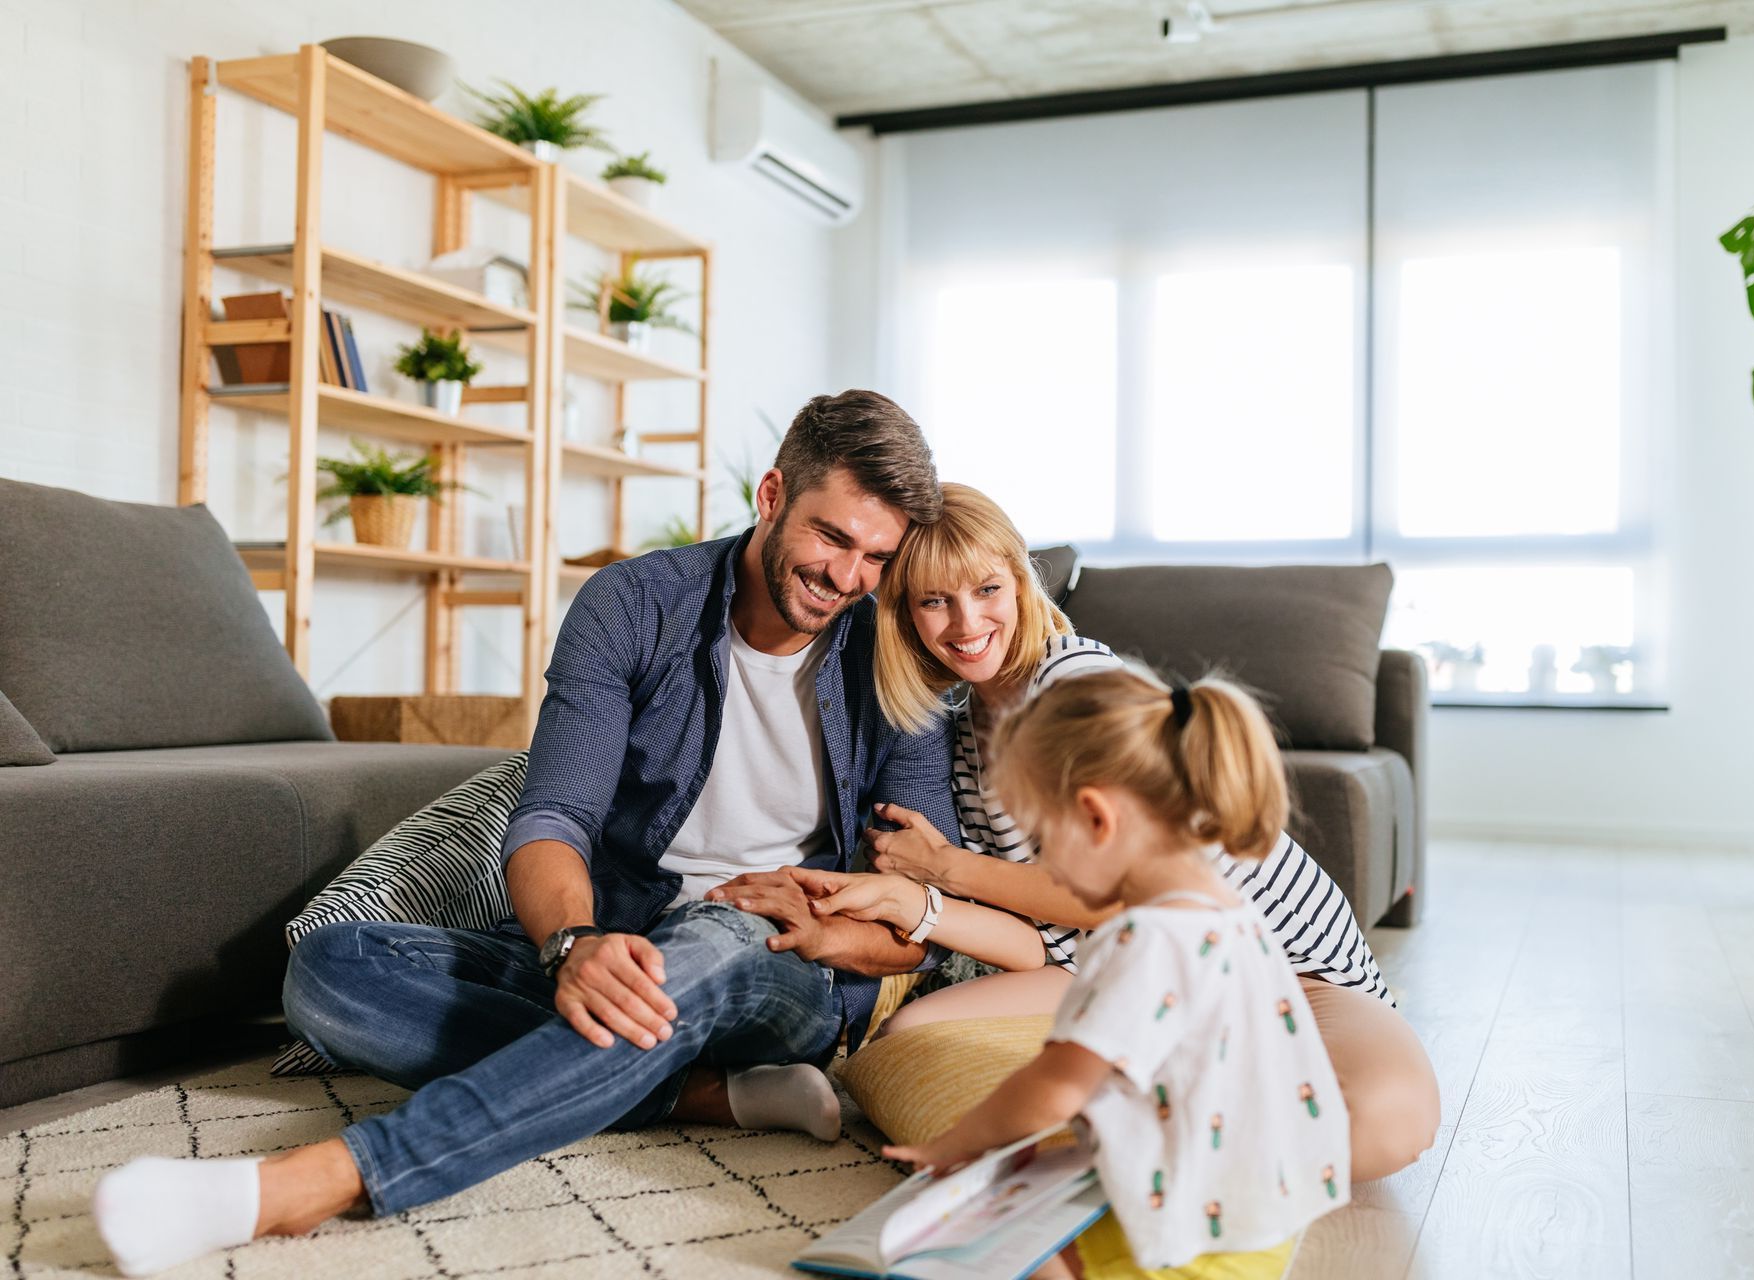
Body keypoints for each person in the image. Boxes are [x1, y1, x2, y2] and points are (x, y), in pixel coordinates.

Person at [89, 390, 968, 1277]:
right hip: (626, 935)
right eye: (832, 537)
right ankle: (693, 1094)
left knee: (707, 939)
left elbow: (921, 925)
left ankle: (312, 1182)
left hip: (783, 965)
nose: (850, 577)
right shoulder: (635, 604)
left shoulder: (894, 648)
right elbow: (554, 816)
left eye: (876, 557)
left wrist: (824, 931)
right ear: (773, 495)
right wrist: (574, 943)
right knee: (329, 971)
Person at [782, 483, 1438, 1183]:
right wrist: (914, 905)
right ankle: (1121, 1146)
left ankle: (1154, 1147)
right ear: (907, 617)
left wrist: (944, 869)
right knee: (904, 1045)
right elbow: (1046, 940)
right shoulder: (961, 734)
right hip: (1123, 967)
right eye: (935, 601)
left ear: (1022, 582)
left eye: (986, 588)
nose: (966, 621)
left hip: (1287, 972)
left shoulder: (1076, 682)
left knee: (1375, 1119)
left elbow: (1107, 897)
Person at [883, 666, 1352, 1279]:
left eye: (1042, 840)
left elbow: (1052, 1088)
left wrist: (957, 1143)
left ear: (1097, 819)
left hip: (1178, 1241)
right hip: (1260, 1230)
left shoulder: (1141, 940)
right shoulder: (1231, 913)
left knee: (973, 1244)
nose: (1041, 866)